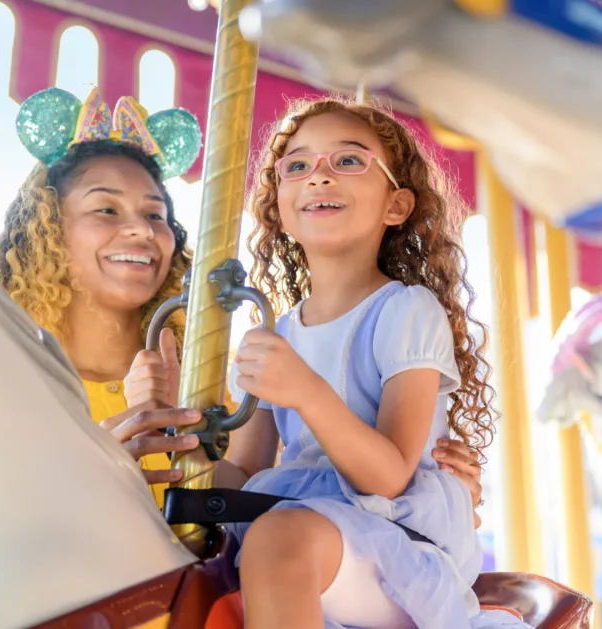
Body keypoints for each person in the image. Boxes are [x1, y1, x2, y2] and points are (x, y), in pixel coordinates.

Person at [0, 86, 486, 513]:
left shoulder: (218, 387)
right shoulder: (7, 382)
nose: (140, 229)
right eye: (105, 209)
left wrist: (429, 492)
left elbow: (239, 489)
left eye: (156, 214)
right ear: (49, 229)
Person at [222, 97, 521, 629]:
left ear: (396, 206)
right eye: (297, 166)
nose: (319, 177)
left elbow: (387, 478)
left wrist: (306, 391)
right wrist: (184, 441)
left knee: (276, 538)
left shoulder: (405, 311)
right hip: (313, 533)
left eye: (348, 161)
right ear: (277, 206)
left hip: (398, 542)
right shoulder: (275, 333)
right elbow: (243, 476)